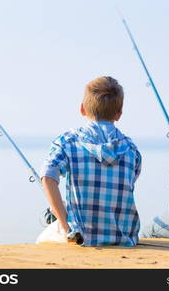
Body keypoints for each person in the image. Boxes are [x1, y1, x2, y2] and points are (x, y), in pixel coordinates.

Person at [37, 76, 142, 246]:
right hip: (122, 239)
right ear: (119, 114)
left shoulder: (68, 141)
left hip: (82, 238)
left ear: (82, 109)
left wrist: (65, 226)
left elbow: (48, 177)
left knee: (42, 239)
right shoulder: (132, 150)